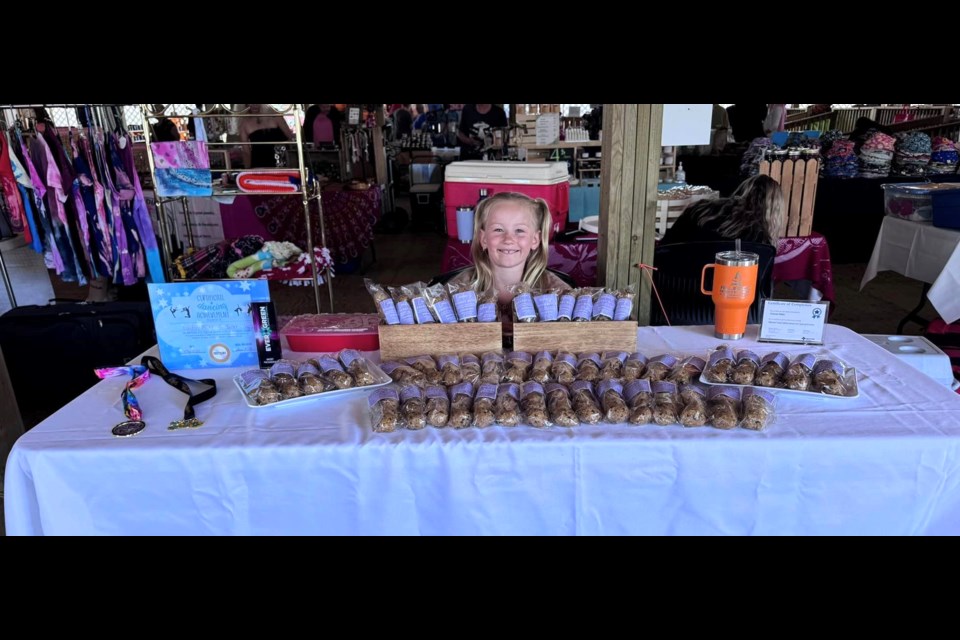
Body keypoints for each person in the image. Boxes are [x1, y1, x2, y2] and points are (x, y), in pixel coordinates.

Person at [448, 192, 571, 335]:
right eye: (498, 229)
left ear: (535, 240)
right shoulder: (457, 290)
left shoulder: (559, 292)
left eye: (519, 230)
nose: (508, 239)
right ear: (483, 239)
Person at [660, 174, 785, 247]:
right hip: (727, 289)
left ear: (741, 190)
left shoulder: (701, 209)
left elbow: (666, 245)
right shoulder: (761, 241)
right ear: (775, 210)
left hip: (674, 283)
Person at [238, 104, 295, 168]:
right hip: (260, 164)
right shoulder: (244, 124)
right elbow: (246, 152)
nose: (254, 105)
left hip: (281, 162)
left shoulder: (274, 115)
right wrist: (247, 170)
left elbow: (290, 138)